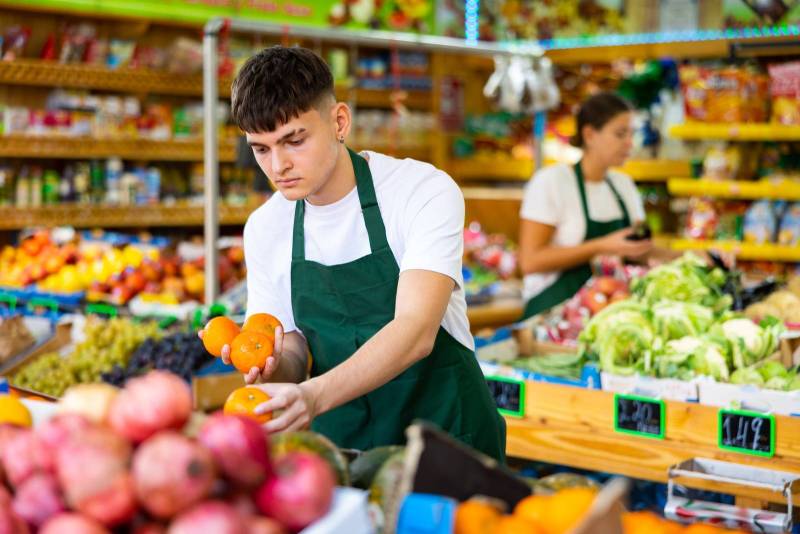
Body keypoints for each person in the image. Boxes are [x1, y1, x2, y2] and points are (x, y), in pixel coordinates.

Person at [213, 46, 506, 461]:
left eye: (294, 140)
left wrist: (313, 396)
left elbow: (416, 330)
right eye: (261, 149)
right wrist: (271, 365)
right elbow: (294, 350)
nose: (278, 166)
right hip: (345, 447)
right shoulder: (266, 228)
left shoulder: (420, 191)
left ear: (339, 122)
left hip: (450, 437)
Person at [518, 92, 674, 319]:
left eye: (632, 133)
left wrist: (693, 256)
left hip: (608, 312)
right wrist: (603, 245)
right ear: (590, 134)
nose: (630, 143)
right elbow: (530, 261)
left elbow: (640, 249)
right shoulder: (552, 181)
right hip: (553, 315)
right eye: (620, 134)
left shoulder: (624, 185)